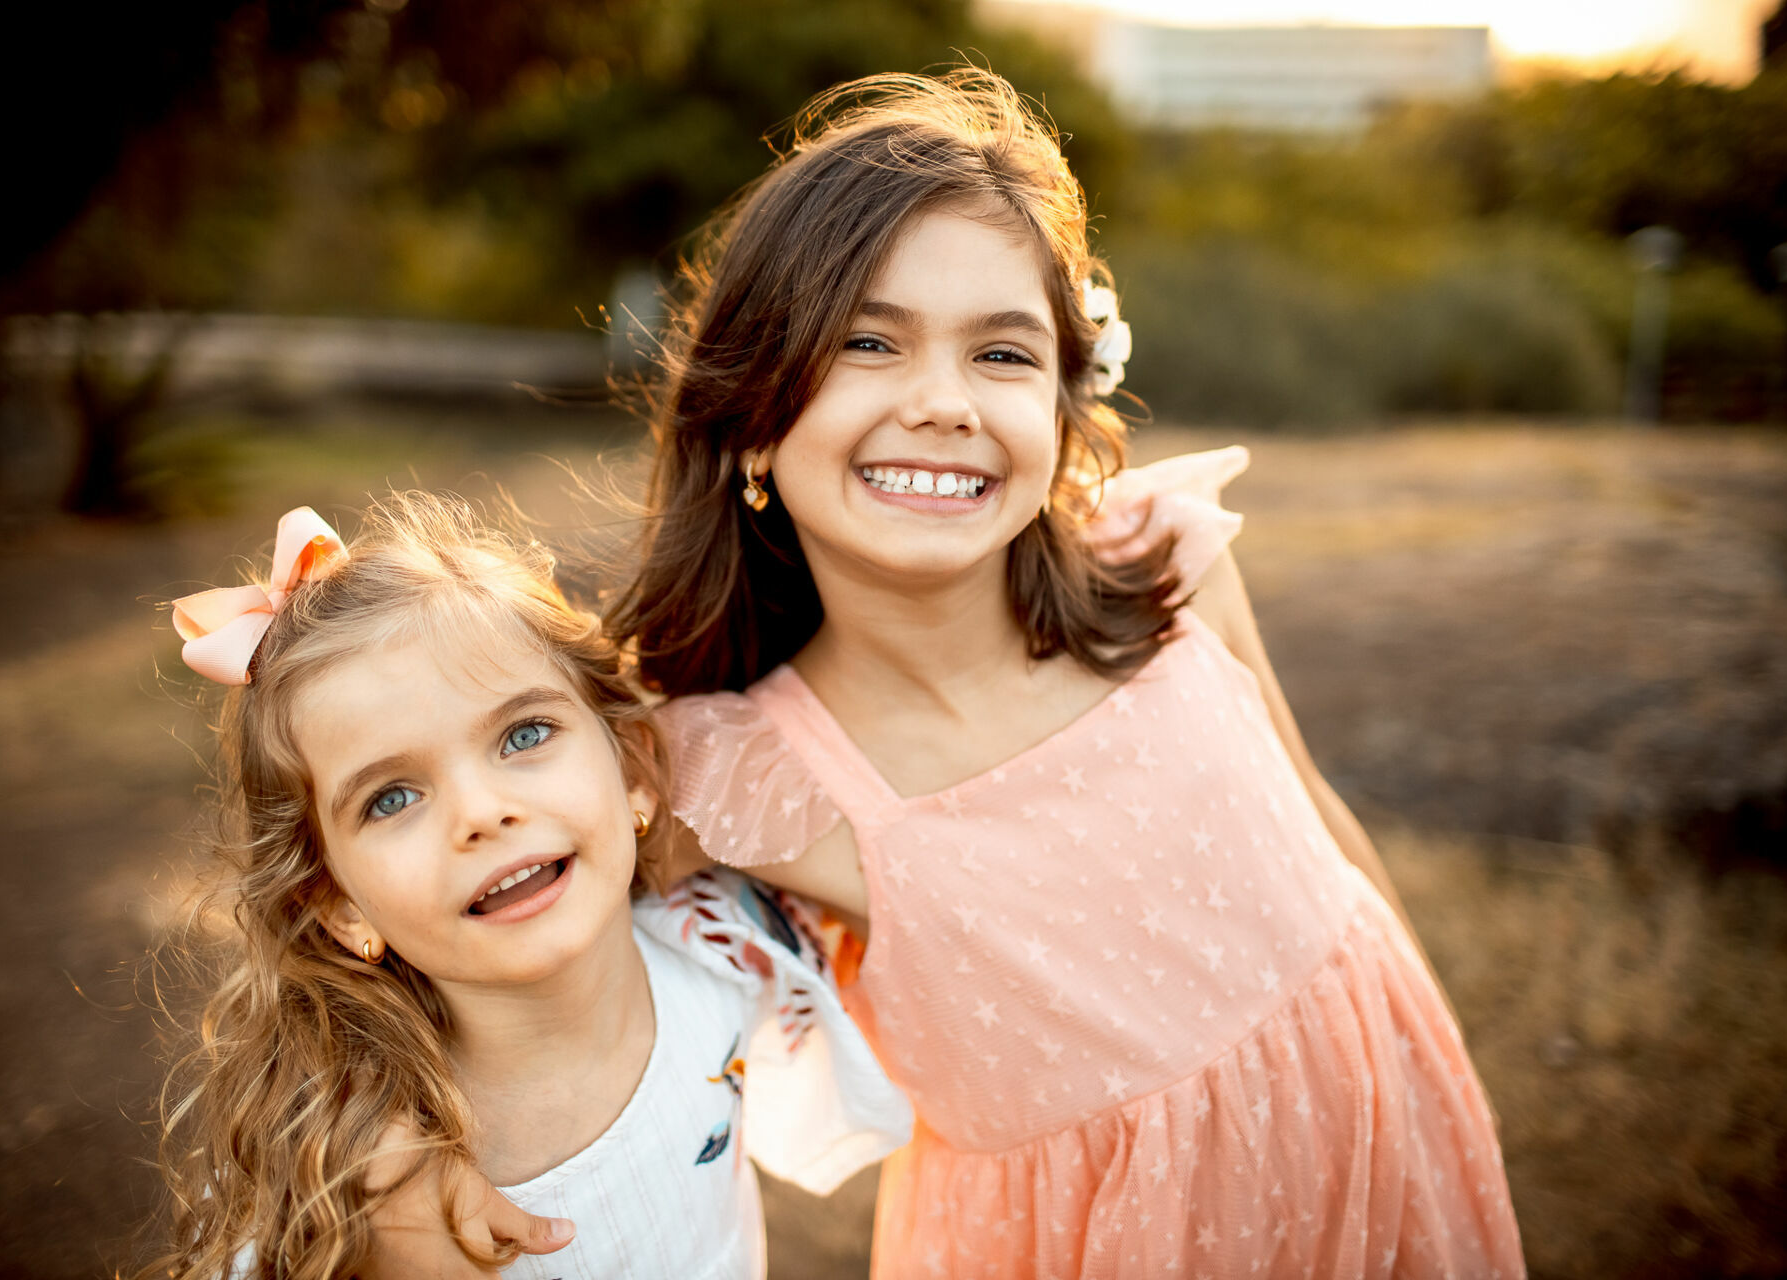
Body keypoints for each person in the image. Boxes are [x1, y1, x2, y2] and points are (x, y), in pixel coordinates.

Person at [603, 68, 1524, 1277]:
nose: (943, 403)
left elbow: (1328, 834)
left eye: (1002, 352)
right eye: (867, 342)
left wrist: (1431, 1074)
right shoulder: (737, 769)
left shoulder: (1163, 574)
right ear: (756, 415)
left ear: (1062, 394)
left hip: (1379, 1143)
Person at [138, 495, 908, 1280]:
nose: (482, 813)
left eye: (524, 734)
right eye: (392, 797)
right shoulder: (366, 1186)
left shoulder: (719, 945)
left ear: (635, 771)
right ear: (334, 903)